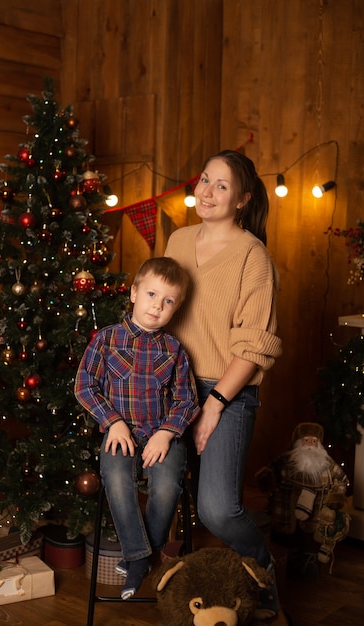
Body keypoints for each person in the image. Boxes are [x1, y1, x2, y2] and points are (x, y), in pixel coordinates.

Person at [164, 149, 282, 618]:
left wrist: (213, 404)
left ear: (242, 199)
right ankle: (169, 585)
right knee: (163, 487)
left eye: (221, 186)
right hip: (170, 387)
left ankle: (263, 572)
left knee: (216, 509)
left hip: (227, 390)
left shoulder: (253, 255)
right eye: (204, 180)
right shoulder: (177, 240)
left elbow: (254, 345)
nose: (207, 192)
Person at [74, 257, 199, 600]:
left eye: (168, 301)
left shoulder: (174, 350)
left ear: (176, 308)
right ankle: (141, 557)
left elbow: (187, 400)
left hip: (162, 434)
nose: (157, 307)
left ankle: (139, 557)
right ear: (133, 293)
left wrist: (166, 433)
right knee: (116, 478)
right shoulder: (107, 339)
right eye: (151, 295)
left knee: (166, 484)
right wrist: (112, 422)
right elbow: (85, 385)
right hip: (121, 433)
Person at [258, 422, 349, 576]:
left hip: (316, 513)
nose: (310, 445)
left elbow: (342, 480)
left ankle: (309, 563)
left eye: (314, 441)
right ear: (299, 442)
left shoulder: (328, 464)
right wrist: (266, 478)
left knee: (310, 542)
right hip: (286, 511)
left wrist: (336, 498)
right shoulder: (286, 460)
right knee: (285, 541)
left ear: (319, 444)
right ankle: (288, 563)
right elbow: (270, 471)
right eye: (306, 441)